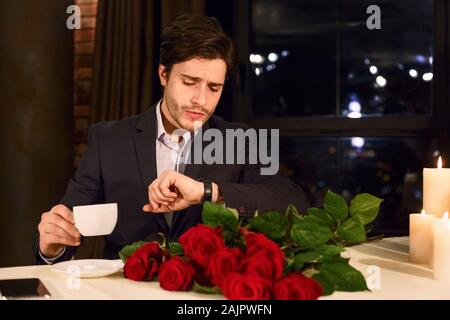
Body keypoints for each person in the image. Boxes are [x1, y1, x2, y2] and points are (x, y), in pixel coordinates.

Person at [36, 14, 308, 264]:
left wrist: (207, 191)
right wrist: (52, 247)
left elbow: (293, 202)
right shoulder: (107, 139)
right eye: (190, 82)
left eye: (214, 88)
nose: (201, 100)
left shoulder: (242, 139)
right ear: (164, 74)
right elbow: (68, 227)